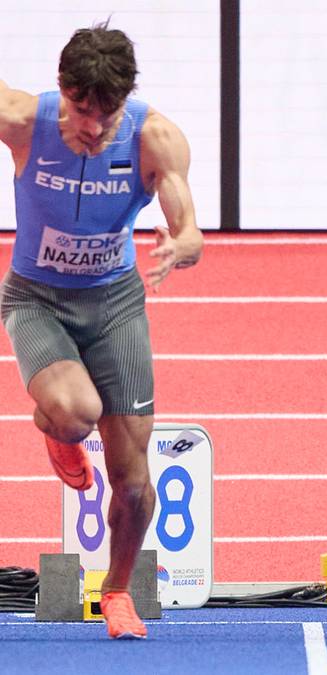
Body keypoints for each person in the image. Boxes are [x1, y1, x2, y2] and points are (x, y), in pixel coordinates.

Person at [0, 24, 202, 638]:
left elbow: (188, 224)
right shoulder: (21, 119)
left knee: (135, 482)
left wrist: (183, 245)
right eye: (80, 111)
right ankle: (56, 431)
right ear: (61, 91)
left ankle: (115, 591)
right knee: (73, 411)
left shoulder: (156, 138)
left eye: (106, 114)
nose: (92, 127)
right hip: (35, 298)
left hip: (114, 304)